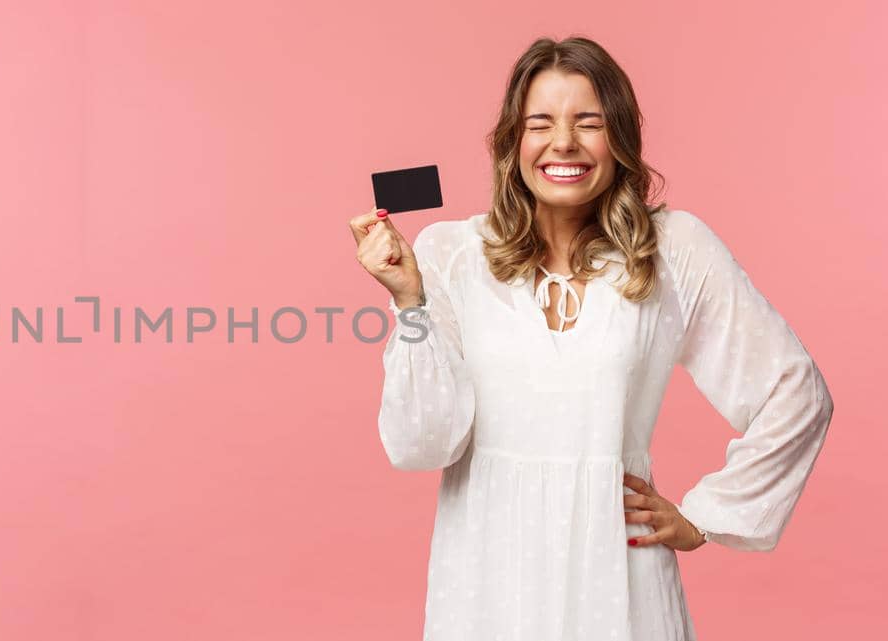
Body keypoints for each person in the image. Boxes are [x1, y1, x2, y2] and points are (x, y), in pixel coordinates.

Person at [347, 36, 834, 640]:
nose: (564, 144)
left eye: (589, 122)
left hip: (620, 576)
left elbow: (796, 391)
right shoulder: (451, 254)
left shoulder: (674, 248)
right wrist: (409, 301)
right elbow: (423, 445)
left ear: (620, 138)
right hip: (487, 579)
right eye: (540, 123)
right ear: (512, 142)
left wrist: (706, 518)